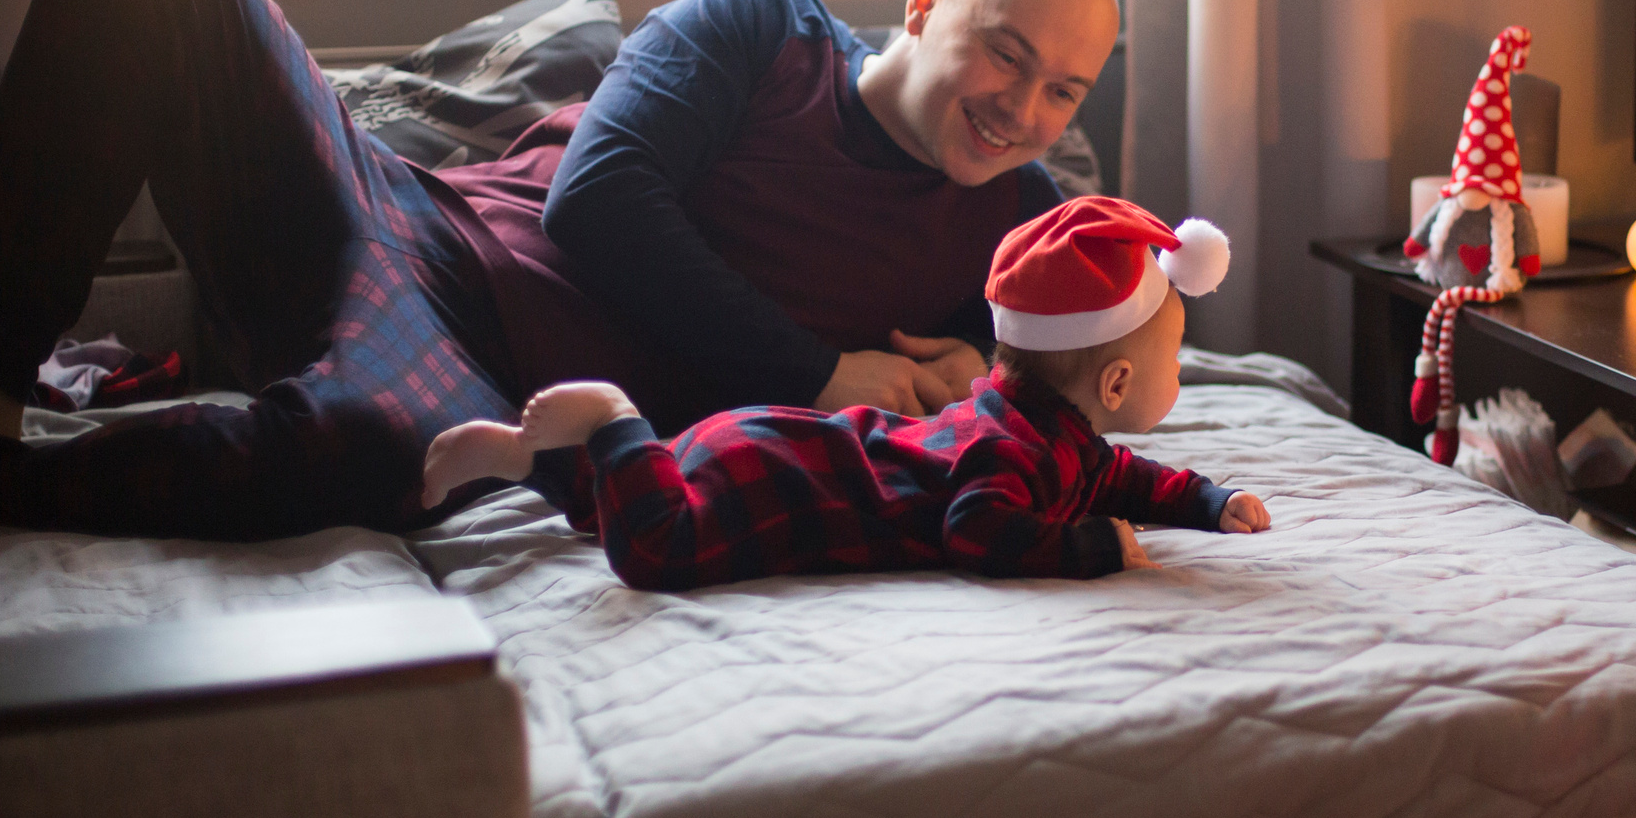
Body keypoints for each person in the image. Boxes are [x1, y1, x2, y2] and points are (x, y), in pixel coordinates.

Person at [0, 0, 1117, 545]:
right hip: (410, 234)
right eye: (1005, 56)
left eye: (1065, 90)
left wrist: (980, 381)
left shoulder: (1014, 226)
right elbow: (599, 202)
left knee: (383, 450)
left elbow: (1100, 367)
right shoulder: (760, 28)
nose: (1022, 110)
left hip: (488, 381)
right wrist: (821, 369)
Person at [418, 197, 1268, 591]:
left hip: (769, 444)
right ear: (1115, 381)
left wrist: (1206, 500)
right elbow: (979, 531)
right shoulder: (1013, 452)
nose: (1179, 376)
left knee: (632, 503)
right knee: (658, 548)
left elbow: (1115, 475)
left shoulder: (1044, 428)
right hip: (783, 482)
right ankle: (612, 420)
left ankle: (534, 460)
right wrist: (1093, 548)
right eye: (1176, 360)